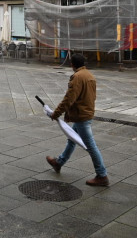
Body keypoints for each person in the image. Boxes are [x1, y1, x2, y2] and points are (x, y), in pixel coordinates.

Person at [45, 53, 109, 187]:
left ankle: (102, 175)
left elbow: (69, 99)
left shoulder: (77, 77)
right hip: (87, 113)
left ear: (72, 64)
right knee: (72, 139)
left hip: (81, 116)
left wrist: (55, 114)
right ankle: (59, 163)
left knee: (90, 146)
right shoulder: (90, 75)